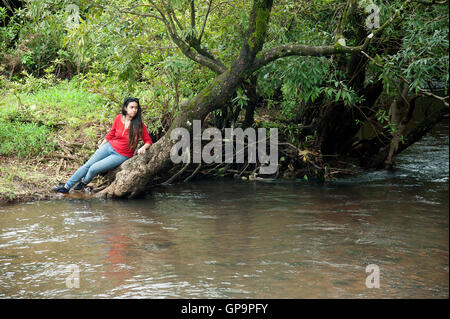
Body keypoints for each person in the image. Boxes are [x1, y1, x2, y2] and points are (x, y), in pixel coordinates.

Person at [52, 97, 152, 193]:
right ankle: (66, 186)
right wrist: (102, 145)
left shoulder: (139, 125)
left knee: (94, 168)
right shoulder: (118, 118)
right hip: (109, 147)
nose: (134, 110)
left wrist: (143, 147)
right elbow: (112, 133)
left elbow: (148, 141)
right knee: (87, 165)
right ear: (125, 108)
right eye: (132, 107)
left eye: (136, 108)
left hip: (121, 155)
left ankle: (84, 183)